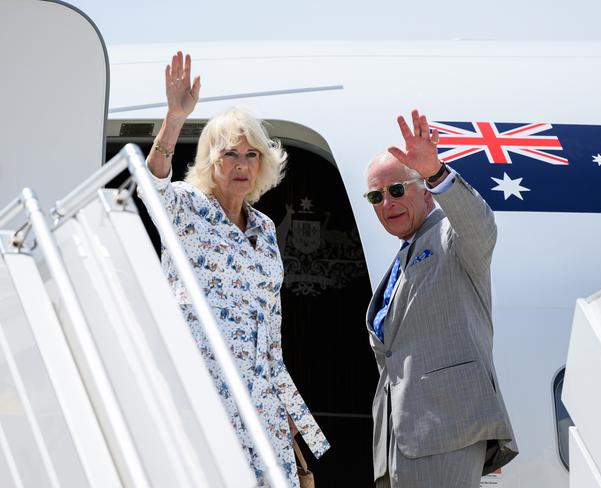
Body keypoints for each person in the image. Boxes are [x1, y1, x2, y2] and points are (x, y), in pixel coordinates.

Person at [140, 51, 329, 487]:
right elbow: (151, 185)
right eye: (230, 154)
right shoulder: (188, 208)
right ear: (212, 161)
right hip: (201, 389)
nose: (242, 165)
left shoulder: (264, 228)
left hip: (260, 396)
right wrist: (174, 118)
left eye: (251, 154)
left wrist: (286, 407)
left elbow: (270, 327)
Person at [364, 110, 517, 488]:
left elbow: (479, 226)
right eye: (376, 196)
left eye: (397, 190)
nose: (387, 203)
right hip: (400, 443)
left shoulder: (449, 236)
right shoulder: (405, 253)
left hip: (444, 431)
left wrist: (437, 173)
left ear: (424, 192)